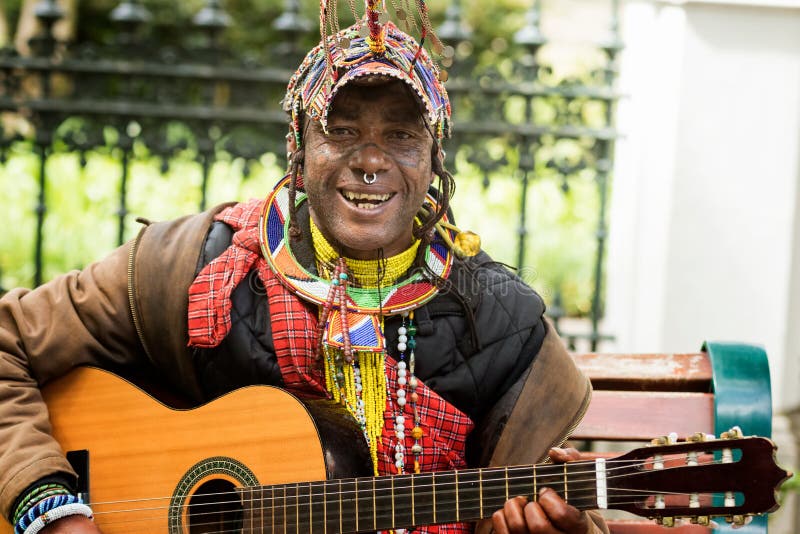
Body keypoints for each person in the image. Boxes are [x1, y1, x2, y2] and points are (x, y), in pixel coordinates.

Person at [0, 12, 608, 534]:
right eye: (340, 130)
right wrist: (54, 509)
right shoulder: (193, 269)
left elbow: (564, 501)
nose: (370, 161)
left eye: (400, 135)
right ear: (299, 147)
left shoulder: (502, 324)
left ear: (433, 159)